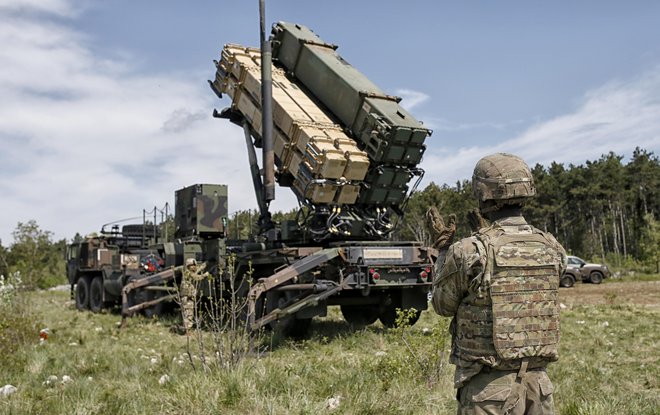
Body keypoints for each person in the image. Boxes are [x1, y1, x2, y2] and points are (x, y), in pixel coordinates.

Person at [432, 153, 567, 415]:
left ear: (483, 194)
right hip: (539, 387)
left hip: (488, 390)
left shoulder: (471, 250)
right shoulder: (553, 248)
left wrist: (443, 252)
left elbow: (442, 305)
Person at [180, 258, 209, 334]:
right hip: (187, 298)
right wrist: (205, 275)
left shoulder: (188, 272)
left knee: (189, 313)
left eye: (194, 265)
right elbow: (197, 277)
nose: (194, 267)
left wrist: (205, 264)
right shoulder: (188, 273)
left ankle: (187, 329)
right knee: (188, 313)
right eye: (192, 265)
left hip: (188, 297)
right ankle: (187, 331)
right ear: (188, 266)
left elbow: (197, 270)